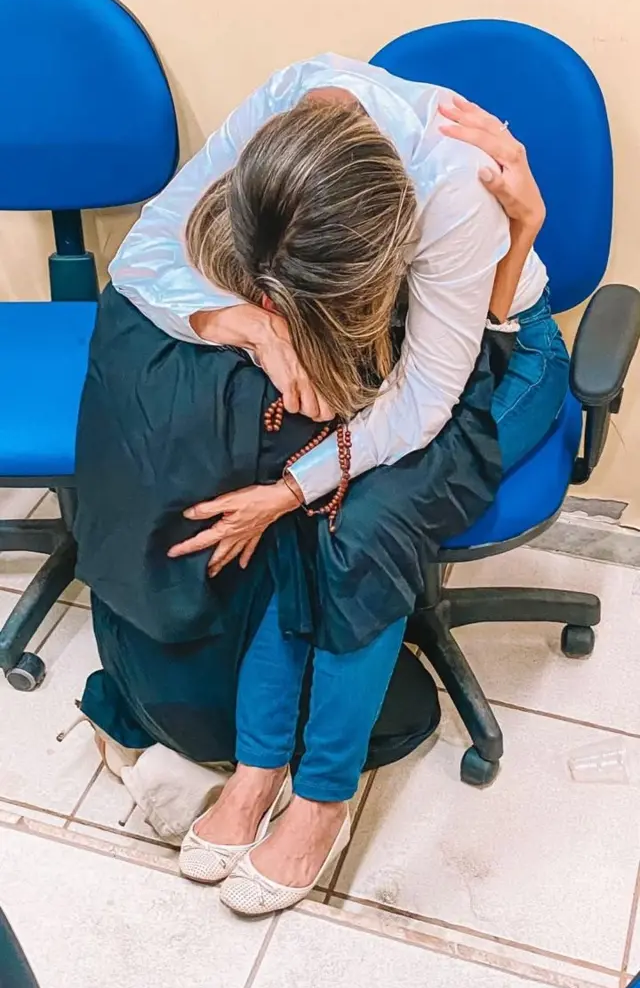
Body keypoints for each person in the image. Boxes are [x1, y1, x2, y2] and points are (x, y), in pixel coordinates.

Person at [74, 54, 569, 916]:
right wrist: (254, 326)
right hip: (392, 347)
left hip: (504, 354)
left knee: (357, 523)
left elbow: (420, 405)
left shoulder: (453, 193)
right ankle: (260, 768)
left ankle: (323, 799)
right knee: (301, 500)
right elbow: (151, 254)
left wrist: (290, 488)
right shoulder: (295, 107)